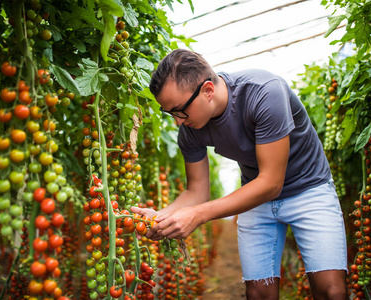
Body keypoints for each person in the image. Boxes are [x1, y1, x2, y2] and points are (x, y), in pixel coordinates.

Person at [131, 49, 348, 300]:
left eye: (179, 110)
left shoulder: (264, 92)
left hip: (309, 189)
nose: (178, 122)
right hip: (255, 198)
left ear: (208, 91)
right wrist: (160, 218)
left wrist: (198, 216)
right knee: (258, 293)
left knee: (331, 290)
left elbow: (271, 183)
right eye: (169, 113)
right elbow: (196, 192)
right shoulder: (190, 129)